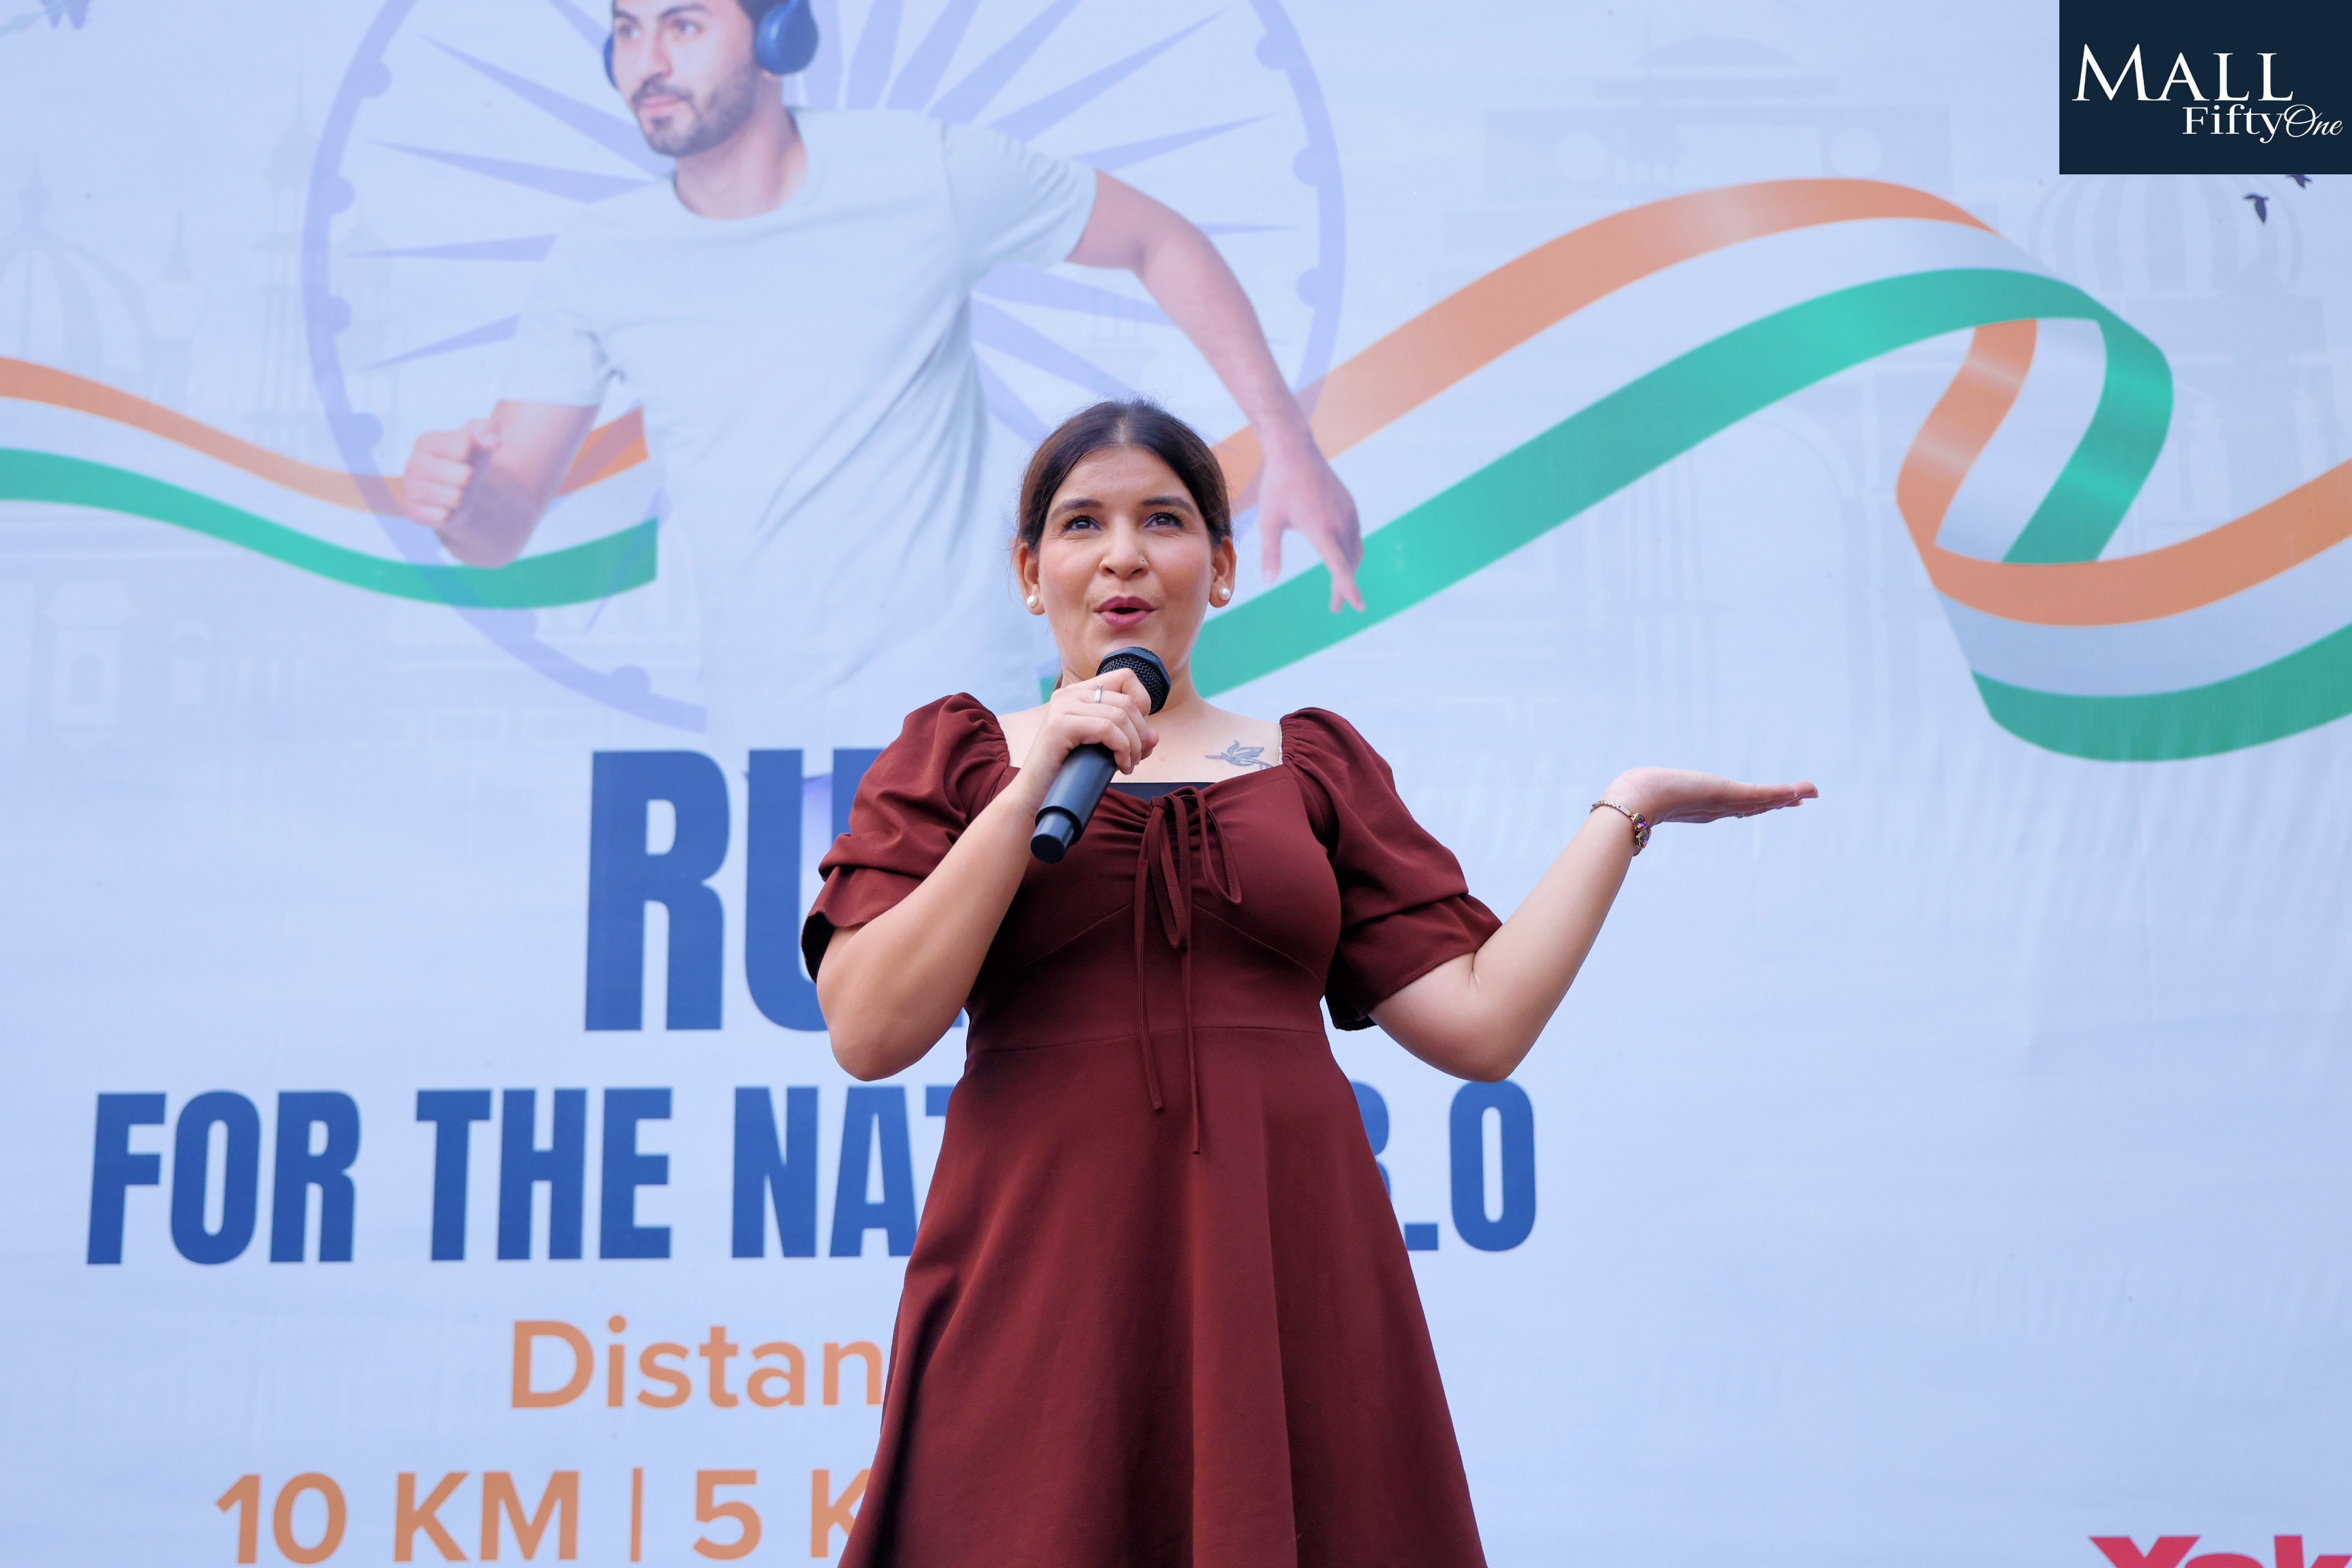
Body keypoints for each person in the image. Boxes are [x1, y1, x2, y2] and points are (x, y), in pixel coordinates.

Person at [802, 399, 1817, 1566]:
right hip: (1044, 1267)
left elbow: (1480, 1024)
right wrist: (1038, 775)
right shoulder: (961, 756)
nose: (1124, 554)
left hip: (1282, 1260)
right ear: (1032, 575)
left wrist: (1624, 811)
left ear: (1223, 566)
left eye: (1164, 521)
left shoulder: (1309, 765)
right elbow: (870, 1029)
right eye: (1082, 524)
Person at [397, 0, 1362, 752]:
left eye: (682, 24)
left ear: (777, 33)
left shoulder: (920, 174)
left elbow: (1157, 238)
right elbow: (503, 521)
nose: (645, 60)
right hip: (759, 738)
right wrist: (459, 503)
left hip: (958, 725)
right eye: (626, 29)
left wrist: (1290, 446)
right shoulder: (599, 256)